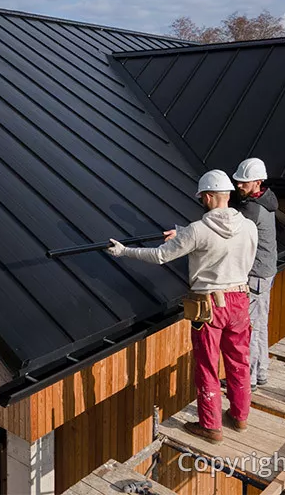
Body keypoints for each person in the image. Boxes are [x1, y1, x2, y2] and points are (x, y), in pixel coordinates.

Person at [107, 170, 257, 443]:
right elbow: (223, 245)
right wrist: (184, 233)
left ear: (209, 197)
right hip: (241, 301)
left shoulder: (199, 230)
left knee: (208, 366)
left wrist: (124, 251)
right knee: (239, 361)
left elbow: (161, 255)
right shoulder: (249, 226)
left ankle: (211, 426)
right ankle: (240, 416)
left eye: (202, 197)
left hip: (210, 305)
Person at [232, 158, 278, 392]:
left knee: (251, 327)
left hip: (257, 274)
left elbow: (230, 230)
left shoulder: (251, 209)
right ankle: (260, 373)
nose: (238, 185)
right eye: (238, 181)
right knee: (260, 323)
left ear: (258, 182)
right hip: (265, 271)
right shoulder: (266, 200)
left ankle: (248, 380)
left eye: (244, 182)